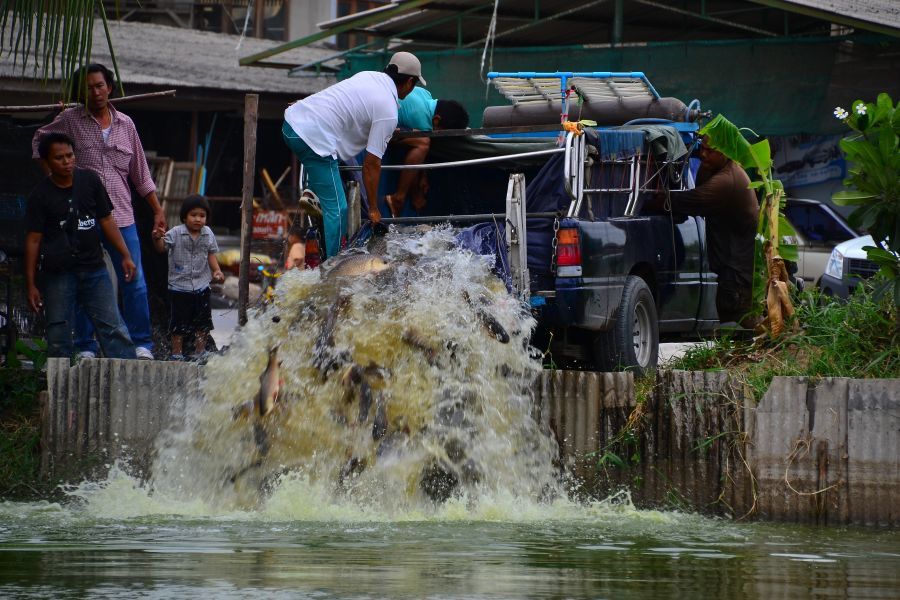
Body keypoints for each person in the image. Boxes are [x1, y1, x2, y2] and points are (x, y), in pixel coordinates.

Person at [32, 63, 165, 360]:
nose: (95, 92)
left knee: (135, 279)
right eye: (89, 87)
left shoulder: (126, 125)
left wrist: (157, 210)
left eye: (100, 85)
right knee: (84, 279)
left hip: (122, 216)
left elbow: (140, 174)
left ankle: (142, 343)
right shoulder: (69, 119)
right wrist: (56, 181)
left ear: (110, 87)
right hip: (86, 220)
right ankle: (86, 345)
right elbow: (39, 141)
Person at [282, 51, 426, 258]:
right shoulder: (388, 109)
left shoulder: (368, 76)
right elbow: (371, 164)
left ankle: (313, 192)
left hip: (293, 124)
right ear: (410, 82)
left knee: (331, 193)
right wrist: (375, 209)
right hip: (312, 139)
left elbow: (347, 110)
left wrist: (384, 130)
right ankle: (334, 268)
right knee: (339, 210)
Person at [25, 133, 137, 360]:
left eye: (70, 155)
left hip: (94, 267)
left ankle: (127, 376)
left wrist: (125, 254)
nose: (67, 162)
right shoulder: (40, 195)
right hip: (58, 271)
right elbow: (33, 240)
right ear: (46, 161)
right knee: (58, 331)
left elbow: (107, 220)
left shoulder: (90, 181)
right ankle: (58, 385)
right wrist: (31, 284)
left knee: (114, 327)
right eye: (59, 158)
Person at [669, 137, 760, 324]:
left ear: (725, 152)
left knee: (739, 327)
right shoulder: (714, 168)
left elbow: (684, 202)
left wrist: (651, 199)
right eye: (702, 149)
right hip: (732, 269)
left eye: (710, 151)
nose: (703, 154)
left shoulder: (727, 181)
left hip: (736, 273)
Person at [151, 195, 224, 361]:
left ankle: (200, 351)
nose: (198, 219)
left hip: (202, 285)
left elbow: (211, 254)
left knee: (203, 322)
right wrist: (156, 238)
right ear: (184, 217)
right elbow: (161, 248)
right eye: (194, 215)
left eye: (202, 216)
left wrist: (217, 271)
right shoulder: (176, 233)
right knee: (178, 323)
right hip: (179, 287)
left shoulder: (208, 234)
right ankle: (177, 353)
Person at [386, 89, 470, 217]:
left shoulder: (426, 94)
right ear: (436, 120)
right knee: (423, 142)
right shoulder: (421, 121)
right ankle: (398, 198)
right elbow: (414, 160)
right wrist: (416, 196)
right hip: (374, 126)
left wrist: (424, 177)